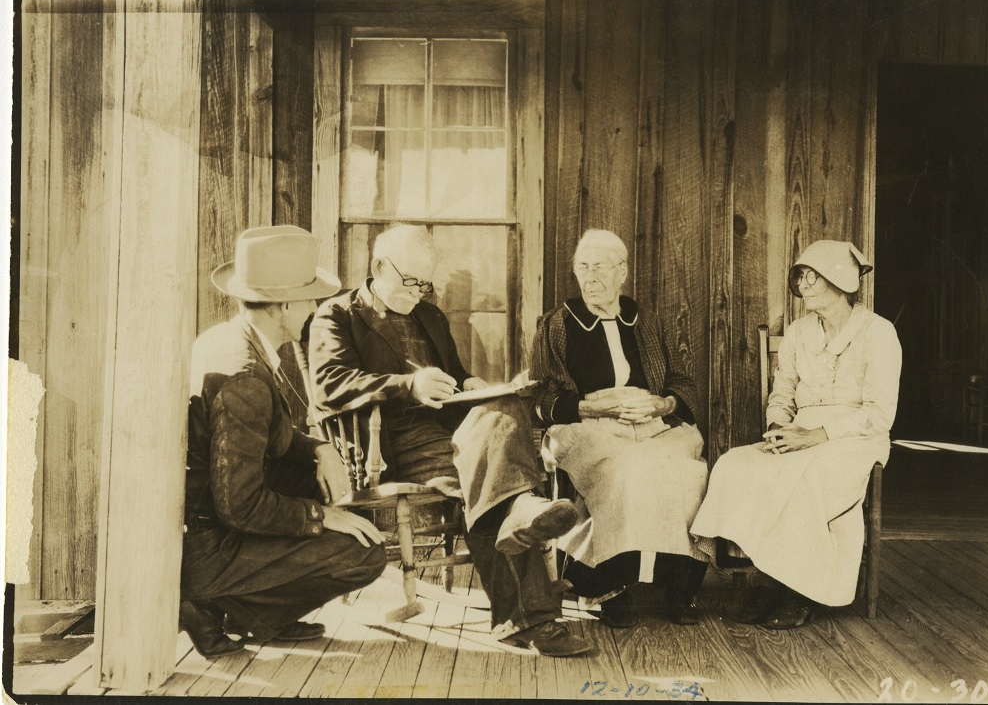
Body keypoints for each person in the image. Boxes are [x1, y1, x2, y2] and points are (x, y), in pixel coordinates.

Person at [308, 224, 590, 658]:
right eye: (410, 281)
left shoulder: (430, 316)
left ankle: (523, 533)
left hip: (451, 431)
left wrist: (472, 384)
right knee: (498, 485)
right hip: (389, 441)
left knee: (505, 409)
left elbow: (454, 377)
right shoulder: (337, 315)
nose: (419, 292)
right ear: (378, 266)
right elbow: (331, 385)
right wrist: (410, 385)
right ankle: (533, 612)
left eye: (426, 283)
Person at [180, 226, 387, 660]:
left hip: (208, 524)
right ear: (287, 304)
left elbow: (266, 432)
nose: (315, 307)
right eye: (310, 297)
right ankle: (217, 601)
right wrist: (320, 516)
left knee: (320, 479)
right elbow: (240, 505)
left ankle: (248, 612)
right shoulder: (246, 378)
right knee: (364, 554)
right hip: (210, 546)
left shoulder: (228, 340)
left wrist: (318, 449)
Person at [691, 239, 902, 628]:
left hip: (855, 439)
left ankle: (799, 589)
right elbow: (782, 393)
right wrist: (777, 429)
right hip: (799, 432)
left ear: (840, 281)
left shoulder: (879, 333)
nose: (802, 285)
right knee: (736, 464)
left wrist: (818, 435)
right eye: (800, 277)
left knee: (806, 478)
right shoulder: (799, 332)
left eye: (811, 277)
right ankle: (770, 576)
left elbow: (879, 414)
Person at [529, 229, 709, 628]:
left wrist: (663, 403)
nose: (589, 278)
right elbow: (538, 396)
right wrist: (587, 407)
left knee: (687, 472)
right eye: (582, 267)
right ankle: (608, 585)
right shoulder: (556, 324)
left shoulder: (647, 320)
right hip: (587, 427)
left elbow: (683, 382)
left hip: (652, 423)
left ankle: (680, 585)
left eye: (599, 268)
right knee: (626, 469)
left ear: (622, 272)